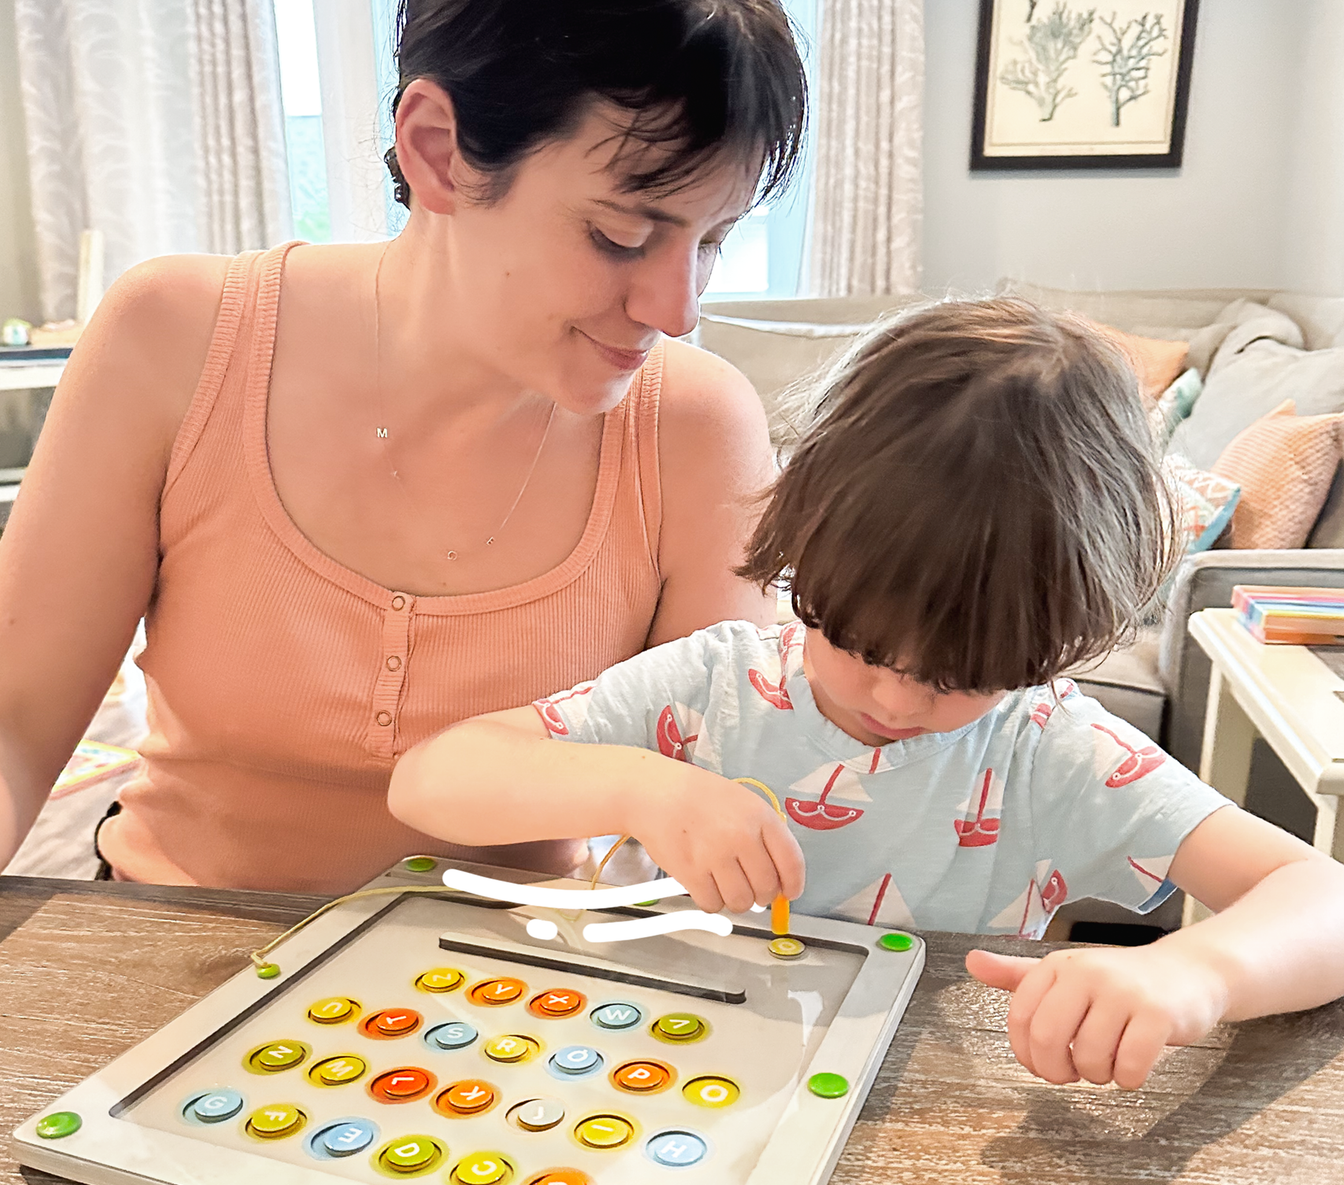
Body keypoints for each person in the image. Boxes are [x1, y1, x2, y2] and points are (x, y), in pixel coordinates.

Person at [0, 0, 808, 1012]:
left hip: (511, 1008)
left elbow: (743, 775)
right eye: (620, 233)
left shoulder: (691, 427)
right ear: (436, 150)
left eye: (715, 240)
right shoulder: (176, 340)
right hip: (168, 959)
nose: (676, 308)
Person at [389, 297, 1344, 1091]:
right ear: (804, 553)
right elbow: (429, 779)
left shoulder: (1049, 751)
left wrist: (1196, 971)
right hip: (632, 1071)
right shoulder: (713, 683)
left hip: (902, 1116)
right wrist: (643, 786)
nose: (893, 695)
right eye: (851, 636)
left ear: (1052, 645)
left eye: (962, 674)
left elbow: (1321, 899)